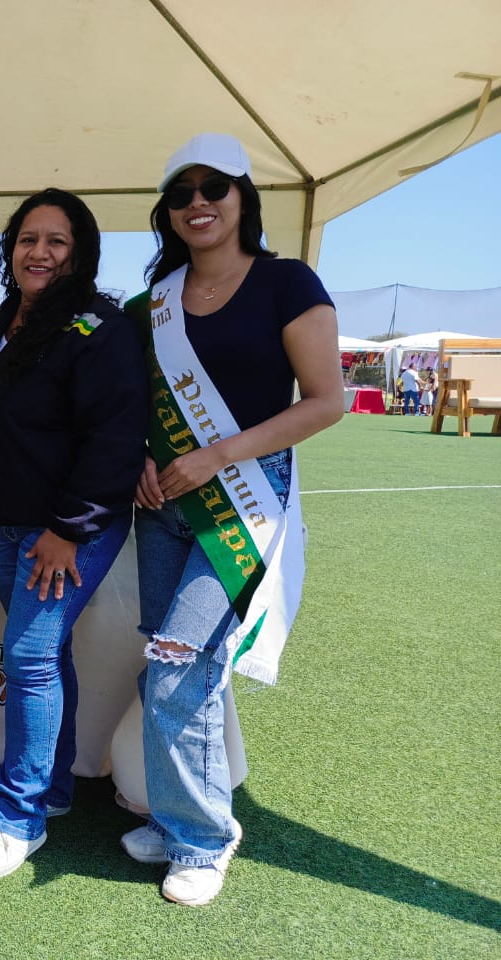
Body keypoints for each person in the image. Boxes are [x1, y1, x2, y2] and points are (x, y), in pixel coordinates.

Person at [123, 133, 343, 906]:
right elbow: (128, 403)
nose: (198, 203)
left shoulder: (287, 282)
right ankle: (180, 814)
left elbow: (327, 401)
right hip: (161, 505)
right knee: (171, 667)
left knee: (180, 667)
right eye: (181, 194)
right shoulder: (152, 302)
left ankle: (202, 840)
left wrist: (217, 454)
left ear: (243, 197)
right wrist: (137, 457)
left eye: (213, 187)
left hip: (241, 505)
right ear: (167, 212)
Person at [0, 189, 149, 879]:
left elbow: (114, 438)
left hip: (67, 530)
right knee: (46, 655)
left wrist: (67, 529)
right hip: (6, 524)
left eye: (56, 241)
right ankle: (54, 787)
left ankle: (19, 818)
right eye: (27, 239)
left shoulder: (101, 328)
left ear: (80, 253)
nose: (38, 252)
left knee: (30, 657)